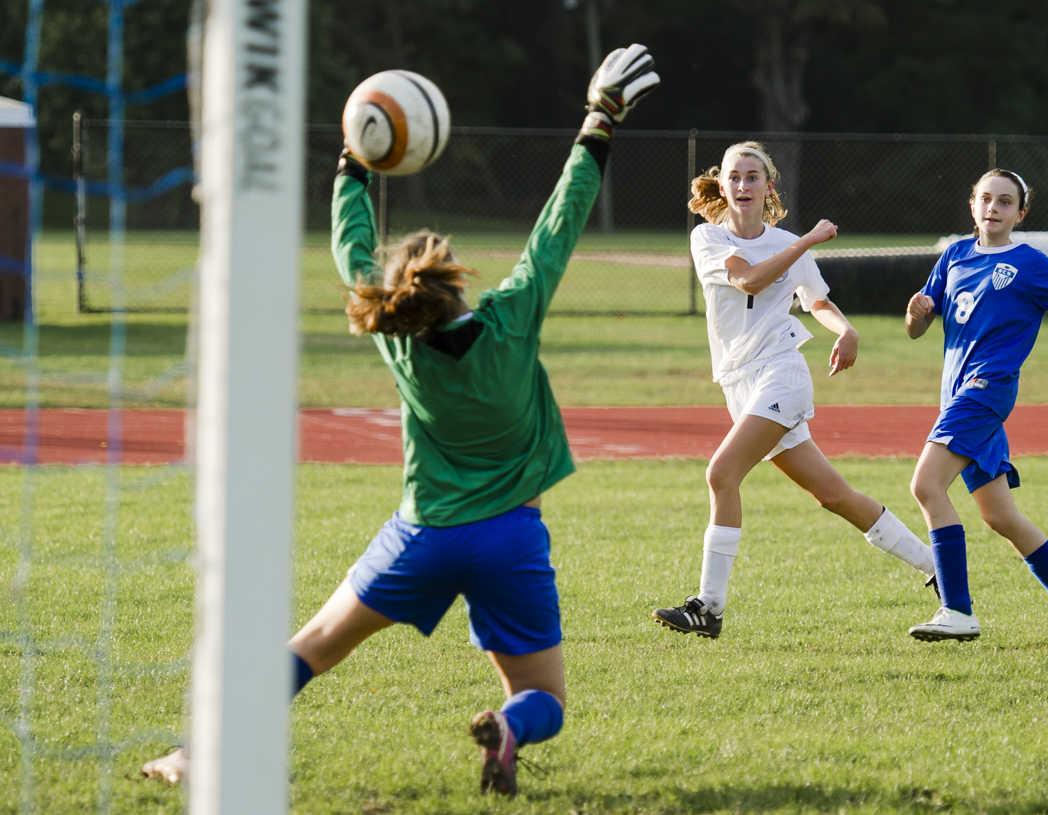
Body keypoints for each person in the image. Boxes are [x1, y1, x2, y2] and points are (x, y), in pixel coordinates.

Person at [141, 45, 660, 797]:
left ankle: (196, 756)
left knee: (313, 645)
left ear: (394, 300)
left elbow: (351, 252)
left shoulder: (397, 340)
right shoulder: (514, 316)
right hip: (510, 535)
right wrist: (598, 120)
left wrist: (352, 162)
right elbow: (559, 222)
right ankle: (511, 725)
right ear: (453, 276)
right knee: (545, 696)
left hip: (421, 535)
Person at [651, 141, 937, 640]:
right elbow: (751, 282)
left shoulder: (787, 243)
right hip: (740, 384)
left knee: (721, 474)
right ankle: (941, 568)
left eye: (752, 177)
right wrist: (805, 241)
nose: (742, 185)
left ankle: (709, 607)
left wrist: (844, 330)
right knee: (835, 496)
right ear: (722, 185)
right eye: (734, 177)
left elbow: (818, 302)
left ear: (768, 186)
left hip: (780, 374)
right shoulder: (708, 239)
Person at [904, 168, 1048, 652]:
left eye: (1005, 202)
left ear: (1020, 213)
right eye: (986, 199)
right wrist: (915, 313)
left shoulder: (1030, 264)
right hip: (958, 396)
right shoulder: (954, 256)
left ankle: (958, 611)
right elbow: (918, 329)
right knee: (1000, 516)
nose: (993, 208)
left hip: (986, 391)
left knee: (925, 485)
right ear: (972, 205)